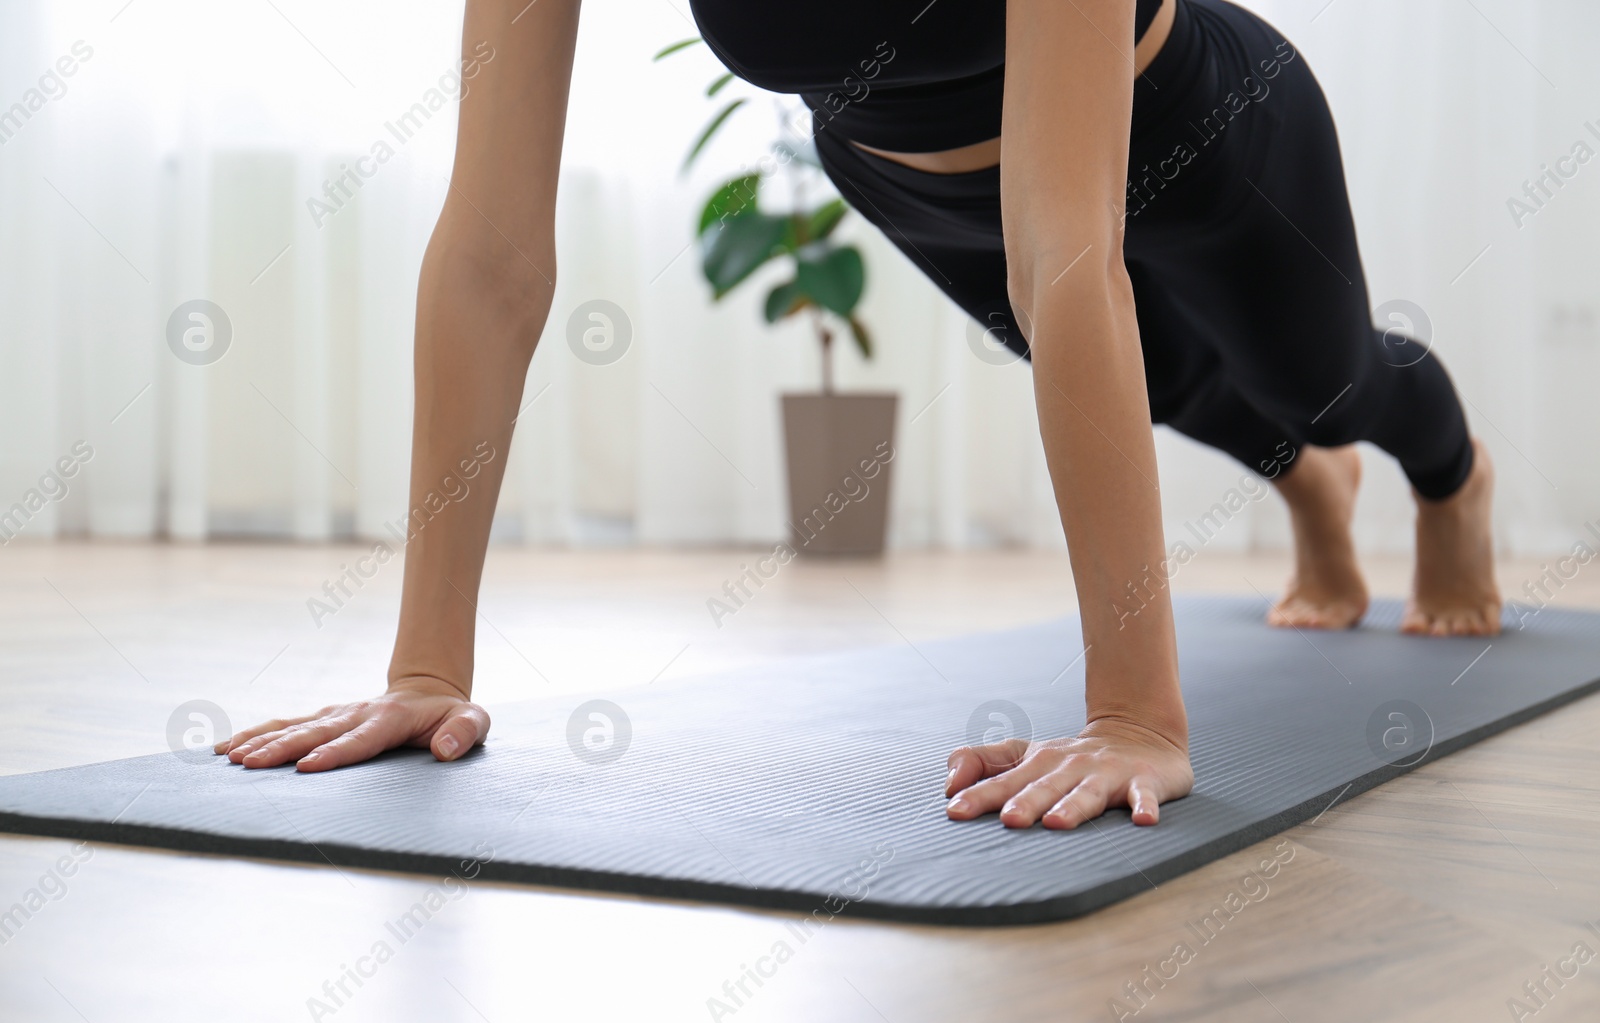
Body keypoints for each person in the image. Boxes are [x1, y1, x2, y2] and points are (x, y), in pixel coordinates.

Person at [216, 0, 1502, 833]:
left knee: (1326, 385)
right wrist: (424, 671)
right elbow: (494, 250)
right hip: (906, 177)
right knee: (1170, 389)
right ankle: (1302, 487)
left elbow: (1065, 245)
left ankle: (1450, 481)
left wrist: (1135, 717)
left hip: (1206, 129)